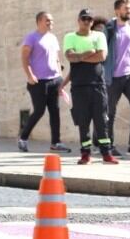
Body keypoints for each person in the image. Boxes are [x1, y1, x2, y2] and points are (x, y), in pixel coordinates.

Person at [62, 9, 118, 165]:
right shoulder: (70, 37)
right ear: (78, 20)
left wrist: (79, 57)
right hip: (79, 85)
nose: (87, 21)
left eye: (89, 19)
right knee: (83, 121)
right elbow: (69, 56)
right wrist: (88, 53)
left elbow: (101, 56)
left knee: (102, 119)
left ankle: (106, 153)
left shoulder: (99, 36)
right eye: (84, 18)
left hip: (97, 85)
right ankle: (85, 154)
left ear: (92, 22)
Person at [18, 12, 70, 153]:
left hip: (54, 80)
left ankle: (56, 142)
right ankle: (23, 138)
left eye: (52, 20)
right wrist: (30, 75)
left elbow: (57, 58)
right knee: (39, 111)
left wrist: (61, 78)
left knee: (55, 111)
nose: (51, 22)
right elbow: (24, 57)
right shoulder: (31, 37)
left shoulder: (53, 38)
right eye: (48, 20)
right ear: (39, 21)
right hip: (38, 82)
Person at [103, 0, 130, 158]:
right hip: (113, 77)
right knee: (110, 111)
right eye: (126, 8)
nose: (129, 10)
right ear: (117, 10)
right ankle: (109, 145)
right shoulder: (109, 29)